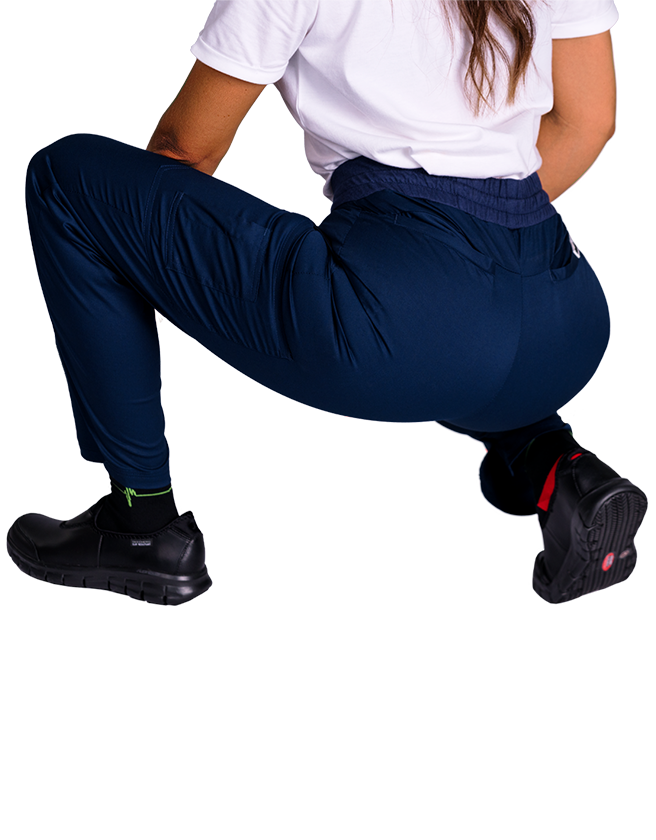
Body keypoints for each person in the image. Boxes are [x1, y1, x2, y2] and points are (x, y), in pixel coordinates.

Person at [7, 0, 648, 605]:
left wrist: (144, 263)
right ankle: (557, 466)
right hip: (566, 318)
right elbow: (589, 121)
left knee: (69, 177)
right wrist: (478, 266)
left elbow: (186, 150)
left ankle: (138, 522)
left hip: (410, 327)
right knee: (464, 343)